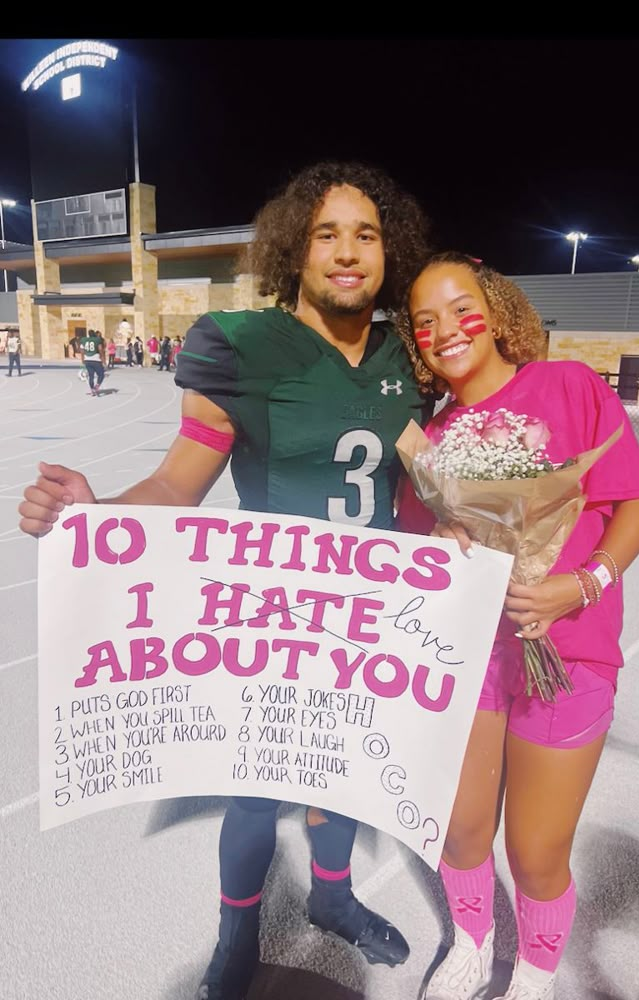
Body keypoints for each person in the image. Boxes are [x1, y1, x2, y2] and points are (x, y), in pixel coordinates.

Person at [18, 161, 434, 1000]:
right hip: (272, 611)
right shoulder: (241, 345)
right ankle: (237, 929)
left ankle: (331, 898)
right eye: (327, 233)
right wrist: (98, 516)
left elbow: (432, 475)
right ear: (294, 248)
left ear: (391, 251)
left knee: (346, 769)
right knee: (256, 787)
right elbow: (178, 485)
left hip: (370, 612)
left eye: (367, 234)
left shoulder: (402, 350)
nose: (349, 252)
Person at [395, 253, 639, 1000]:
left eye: (459, 307)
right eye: (425, 321)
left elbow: (635, 503)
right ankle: (471, 944)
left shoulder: (568, 385)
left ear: (497, 308)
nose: (445, 329)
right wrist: (439, 541)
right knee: (458, 827)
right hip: (470, 659)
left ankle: (536, 972)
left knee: (537, 851)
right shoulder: (432, 438)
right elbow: (422, 548)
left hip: (567, 655)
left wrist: (582, 583)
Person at [78, 329, 106, 395]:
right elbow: (100, 349)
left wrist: (82, 360)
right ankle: (96, 387)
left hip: (87, 359)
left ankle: (92, 389)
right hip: (96, 359)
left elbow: (82, 351)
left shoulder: (84, 340)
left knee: (91, 376)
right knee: (101, 374)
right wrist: (103, 359)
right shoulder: (97, 340)